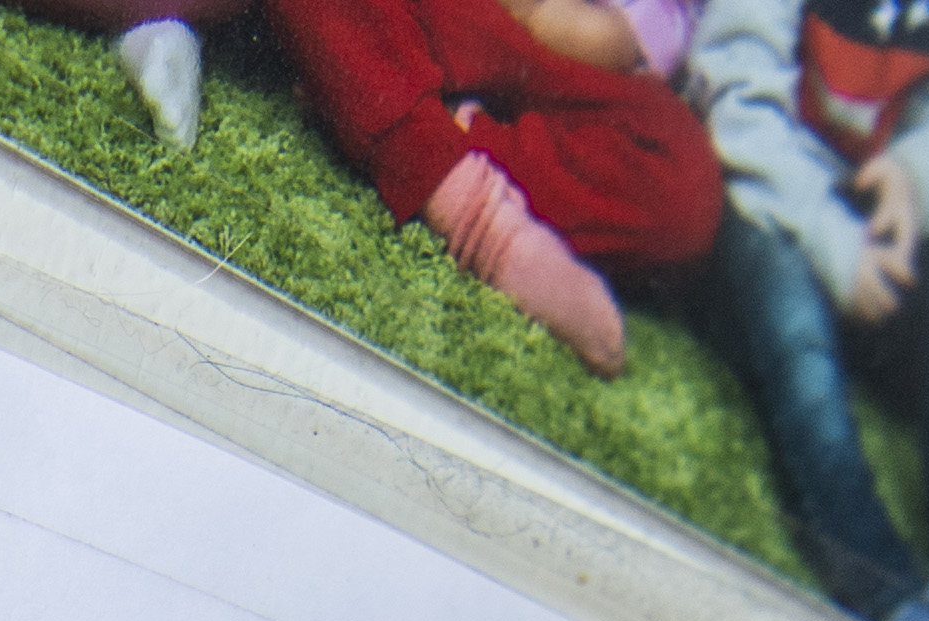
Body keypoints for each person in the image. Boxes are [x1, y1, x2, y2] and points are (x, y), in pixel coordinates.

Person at [684, 0, 929, 621]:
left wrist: (912, 177)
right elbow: (736, 97)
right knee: (791, 322)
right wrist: (829, 238)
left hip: (860, 212)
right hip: (762, 198)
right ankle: (879, 587)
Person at [263, 0, 724, 374]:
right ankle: (473, 214)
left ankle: (382, 104)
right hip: (440, 16)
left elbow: (621, 37)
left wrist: (574, 25)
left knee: (684, 187)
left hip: (557, 62)